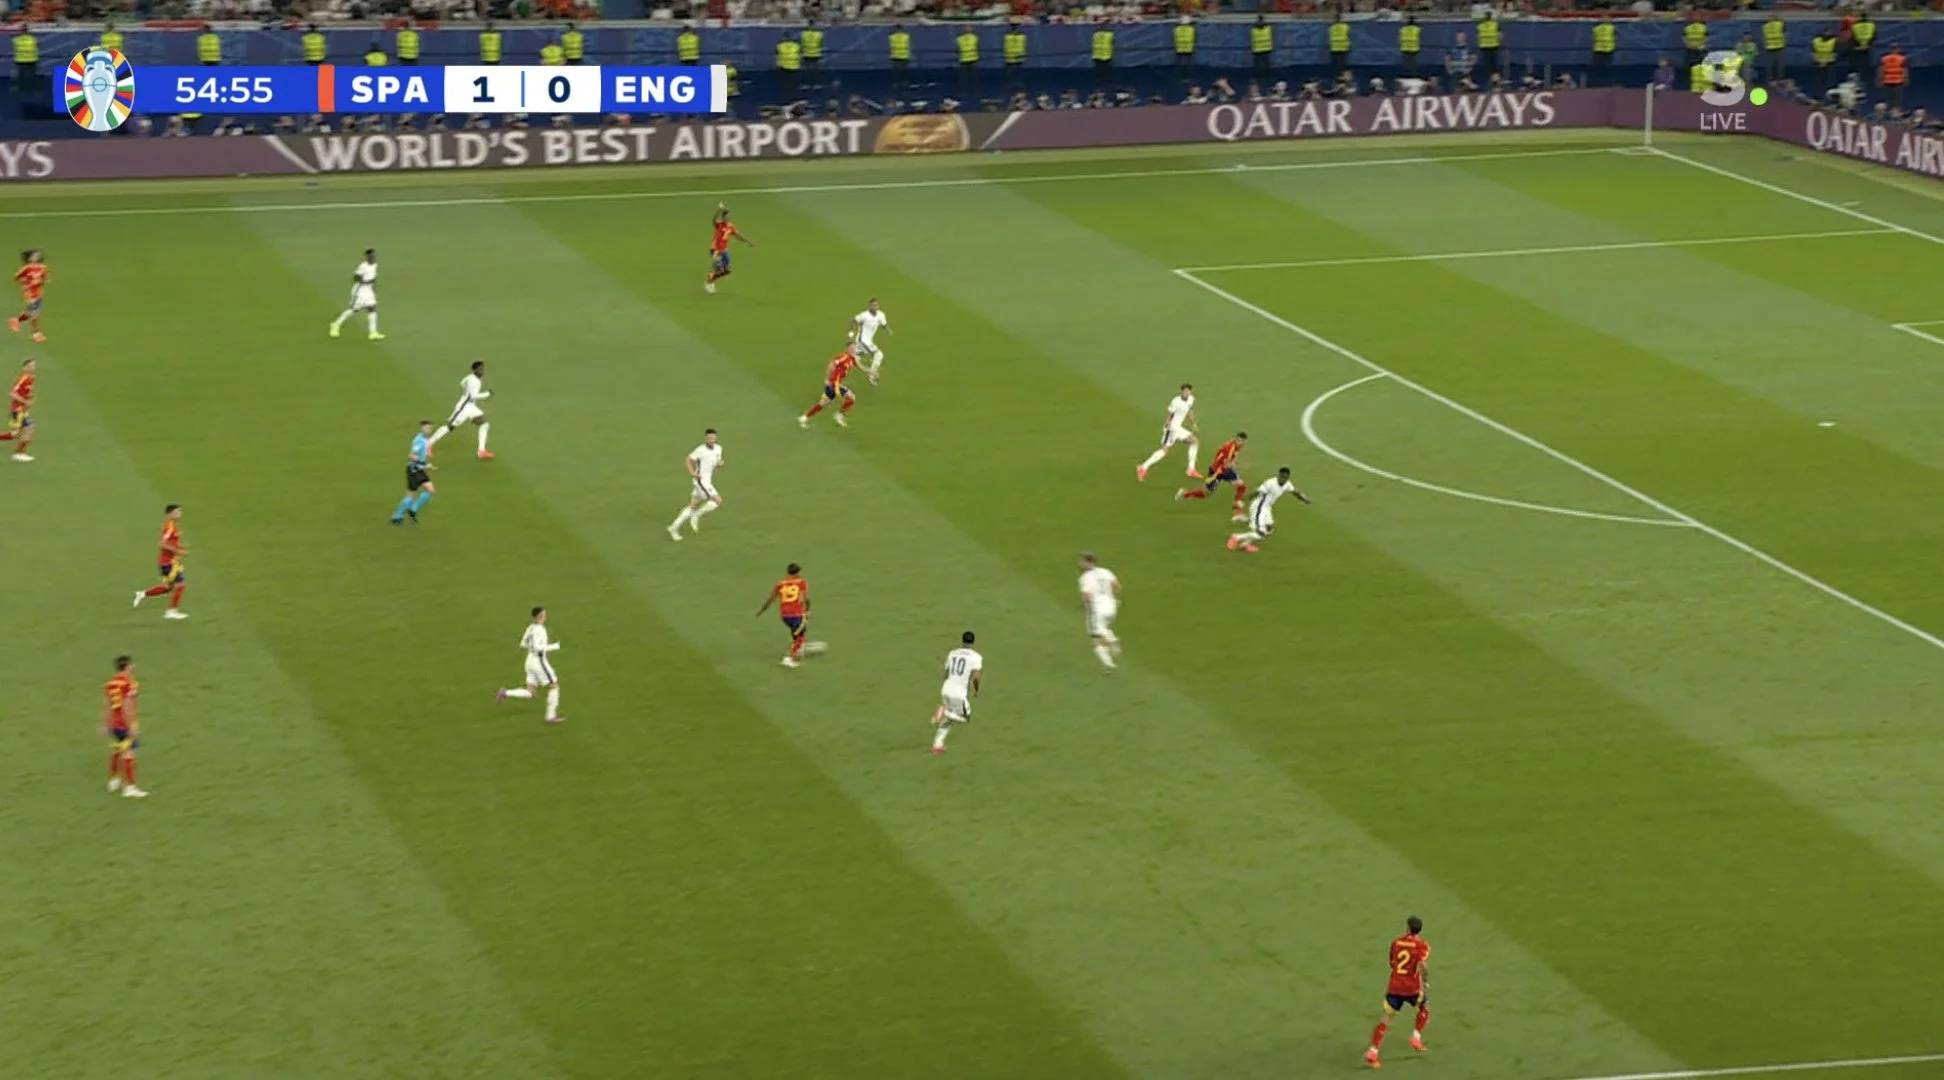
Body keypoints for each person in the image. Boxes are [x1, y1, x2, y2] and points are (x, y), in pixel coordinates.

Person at [1365, 916, 1431, 1069]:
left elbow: (1392, 963)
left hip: (1395, 986)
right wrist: (1425, 982)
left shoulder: (1396, 942)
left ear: (1407, 927)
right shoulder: (1422, 945)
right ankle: (1416, 1037)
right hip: (1412, 988)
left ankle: (1373, 1051)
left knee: (1386, 1018)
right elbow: (1423, 965)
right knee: (1424, 1008)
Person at [498, 606, 564, 724]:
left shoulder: (530, 627)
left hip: (529, 660)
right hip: (539, 661)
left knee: (530, 691)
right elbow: (538, 648)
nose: (546, 617)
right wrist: (554, 646)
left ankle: (506, 693)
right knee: (554, 686)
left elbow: (523, 644)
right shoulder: (540, 629)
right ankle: (551, 716)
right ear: (540, 616)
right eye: (544, 615)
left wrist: (534, 647)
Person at [1228, 466, 1308, 553]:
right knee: (1260, 534)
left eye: (1285, 478)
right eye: (1282, 477)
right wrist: (1241, 501)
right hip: (1259, 508)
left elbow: (1295, 492)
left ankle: (1245, 544)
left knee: (1269, 528)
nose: (1283, 479)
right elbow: (1257, 493)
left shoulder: (1287, 484)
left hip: (1267, 508)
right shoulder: (1270, 483)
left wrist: (1304, 500)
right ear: (1278, 475)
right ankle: (1236, 537)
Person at [428, 361, 495, 460]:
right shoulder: (474, 381)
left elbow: (462, 383)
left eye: (483, 369)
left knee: (484, 424)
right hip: (463, 408)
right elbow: (473, 395)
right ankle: (428, 443)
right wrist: (487, 394)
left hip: (471, 407)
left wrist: (466, 392)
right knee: (450, 426)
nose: (482, 371)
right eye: (480, 369)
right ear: (475, 370)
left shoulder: (470, 377)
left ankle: (481, 451)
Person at [132, 503, 189, 619]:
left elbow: (171, 542)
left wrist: (180, 546)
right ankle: (171, 611)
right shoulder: (170, 526)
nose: (179, 514)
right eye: (177, 512)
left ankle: (142, 594)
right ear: (170, 514)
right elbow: (162, 544)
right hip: (169, 562)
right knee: (180, 585)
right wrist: (178, 551)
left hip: (171, 561)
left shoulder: (173, 525)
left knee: (168, 587)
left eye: (180, 511)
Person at [103, 655, 149, 798]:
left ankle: (114, 780)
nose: (133, 667)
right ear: (128, 666)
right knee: (128, 753)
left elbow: (107, 704)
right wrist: (130, 726)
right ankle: (130, 787)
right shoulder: (129, 683)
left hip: (114, 722)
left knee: (117, 749)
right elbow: (127, 705)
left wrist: (105, 723)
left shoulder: (110, 683)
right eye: (132, 664)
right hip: (124, 723)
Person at [930, 630, 983, 755]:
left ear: (962, 641)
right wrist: (976, 690)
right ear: (973, 642)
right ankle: (943, 711)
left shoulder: (952, 653)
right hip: (958, 694)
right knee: (964, 717)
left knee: (949, 721)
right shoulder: (976, 657)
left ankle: (937, 745)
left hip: (946, 689)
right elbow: (976, 677)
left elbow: (946, 673)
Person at [667, 428, 725, 541]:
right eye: (709, 438)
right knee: (718, 501)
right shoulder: (700, 450)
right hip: (701, 480)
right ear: (706, 438)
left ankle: (673, 528)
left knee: (693, 505)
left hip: (708, 480)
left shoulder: (719, 449)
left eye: (713, 438)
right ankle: (696, 515)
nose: (712, 440)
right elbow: (688, 460)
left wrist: (720, 465)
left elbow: (716, 464)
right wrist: (692, 473)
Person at [1176, 431, 1248, 517]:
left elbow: (1230, 461)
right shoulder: (1229, 447)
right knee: (1206, 494)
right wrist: (1213, 477)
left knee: (1241, 485)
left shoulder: (1237, 446)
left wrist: (1234, 465)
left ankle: (1237, 509)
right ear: (1235, 438)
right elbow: (1226, 464)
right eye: (1238, 440)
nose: (1239, 442)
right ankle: (1185, 494)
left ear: (1244, 441)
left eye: (1241, 441)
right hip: (1216, 470)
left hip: (1224, 469)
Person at [1136, 383, 1199, 482]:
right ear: (1181, 391)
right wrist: (1168, 425)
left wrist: (1193, 423)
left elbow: (1189, 410)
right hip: (1171, 428)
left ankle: (1191, 469)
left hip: (1178, 428)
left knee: (1194, 442)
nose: (1186, 393)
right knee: (1164, 451)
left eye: (1188, 391)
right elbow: (1170, 414)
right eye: (1185, 391)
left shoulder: (1191, 399)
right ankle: (1143, 467)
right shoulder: (1175, 401)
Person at [799, 345, 871, 429]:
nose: (853, 350)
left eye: (854, 349)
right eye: (851, 348)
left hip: (835, 384)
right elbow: (831, 364)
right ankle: (839, 415)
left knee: (823, 403)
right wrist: (827, 378)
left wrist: (871, 372)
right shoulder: (844, 357)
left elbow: (860, 367)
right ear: (848, 349)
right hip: (835, 383)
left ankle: (804, 418)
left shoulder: (852, 359)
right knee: (851, 398)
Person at [755, 563, 811, 668]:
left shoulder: (780, 584)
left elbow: (771, 599)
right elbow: (806, 598)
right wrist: (807, 610)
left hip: (785, 615)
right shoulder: (801, 582)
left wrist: (761, 611)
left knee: (796, 632)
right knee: (800, 636)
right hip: (796, 614)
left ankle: (796, 651)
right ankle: (789, 658)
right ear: (797, 572)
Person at [1077, 552, 1121, 671]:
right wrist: (1113, 597)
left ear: (1088, 562)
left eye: (1082, 561)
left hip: (1097, 608)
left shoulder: (1085, 578)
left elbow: (1088, 595)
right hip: (1111, 606)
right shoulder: (1106, 571)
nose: (1079, 564)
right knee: (1098, 633)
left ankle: (1112, 642)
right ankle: (1109, 664)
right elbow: (1117, 586)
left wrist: (1083, 608)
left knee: (1096, 635)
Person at [328, 248, 383, 341]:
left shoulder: (375, 265)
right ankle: (336, 324)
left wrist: (373, 289)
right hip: (360, 290)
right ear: (367, 257)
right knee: (353, 309)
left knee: (372, 308)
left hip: (368, 290)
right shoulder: (363, 266)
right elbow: (355, 277)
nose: (373, 258)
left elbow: (373, 278)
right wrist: (365, 282)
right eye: (371, 256)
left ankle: (373, 333)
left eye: (374, 256)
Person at [390, 421, 436, 524]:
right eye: (427, 428)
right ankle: (397, 516)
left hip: (419, 469)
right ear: (422, 428)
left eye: (430, 428)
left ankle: (412, 510)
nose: (429, 430)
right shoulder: (419, 440)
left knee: (431, 490)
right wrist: (423, 464)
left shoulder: (424, 439)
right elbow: (411, 455)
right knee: (411, 495)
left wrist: (425, 465)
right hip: (413, 470)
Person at [704, 204, 752, 293]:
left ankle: (711, 278)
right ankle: (709, 283)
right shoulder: (719, 224)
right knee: (719, 269)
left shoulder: (731, 226)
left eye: (729, 216)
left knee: (727, 271)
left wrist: (747, 241)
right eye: (726, 216)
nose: (728, 218)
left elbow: (737, 235)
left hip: (724, 250)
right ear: (723, 217)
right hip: (715, 250)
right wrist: (719, 210)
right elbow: (714, 220)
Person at [10, 248, 47, 344]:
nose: (37, 257)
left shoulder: (43, 267)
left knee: (30, 313)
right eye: (34, 255)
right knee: (35, 313)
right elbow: (17, 277)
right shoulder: (26, 268)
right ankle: (36, 333)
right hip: (29, 293)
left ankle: (16, 320)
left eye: (37, 255)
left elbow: (44, 278)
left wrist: (41, 281)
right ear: (29, 258)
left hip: (38, 293)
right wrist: (25, 283)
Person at [1, 356, 34, 462]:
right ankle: (19, 453)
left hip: (22, 410)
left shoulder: (30, 378)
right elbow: (12, 394)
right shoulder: (23, 378)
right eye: (30, 365)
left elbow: (26, 393)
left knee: (18, 434)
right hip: (18, 410)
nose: (32, 367)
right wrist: (25, 402)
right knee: (28, 429)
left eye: (33, 365)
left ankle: (19, 453)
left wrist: (29, 400)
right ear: (25, 367)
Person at [849, 297, 892, 379]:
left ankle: (840, 367)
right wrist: (851, 334)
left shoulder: (881, 315)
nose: (874, 307)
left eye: (876, 305)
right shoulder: (864, 315)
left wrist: (888, 330)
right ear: (869, 306)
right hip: (862, 340)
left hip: (868, 341)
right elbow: (853, 321)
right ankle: (872, 375)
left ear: (878, 306)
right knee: (879, 355)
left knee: (855, 357)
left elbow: (883, 324)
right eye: (872, 305)